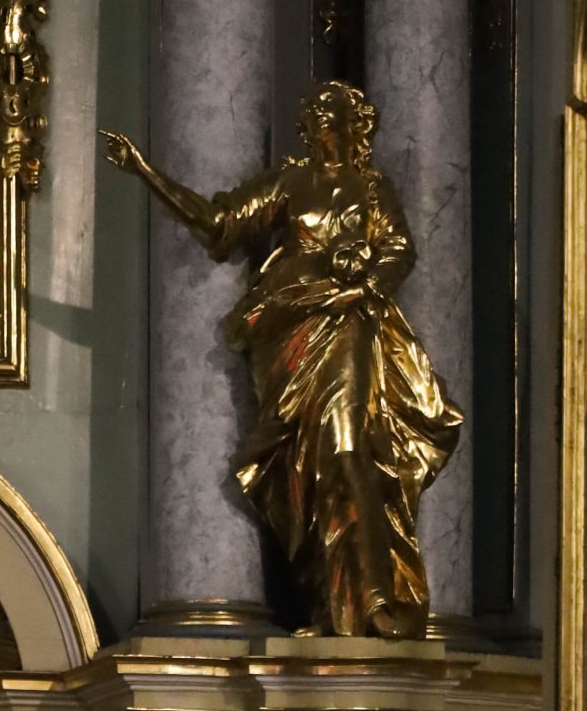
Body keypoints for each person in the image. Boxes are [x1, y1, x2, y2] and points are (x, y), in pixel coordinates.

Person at [103, 81, 460, 638]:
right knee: (307, 471)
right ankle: (329, 605)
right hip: (286, 333)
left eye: (331, 111)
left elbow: (400, 252)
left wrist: (363, 270)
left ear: (354, 124)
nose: (319, 119)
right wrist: (145, 171)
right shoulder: (290, 184)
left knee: (347, 451)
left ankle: (373, 600)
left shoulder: (371, 188)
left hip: (346, 324)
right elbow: (220, 224)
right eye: (312, 112)